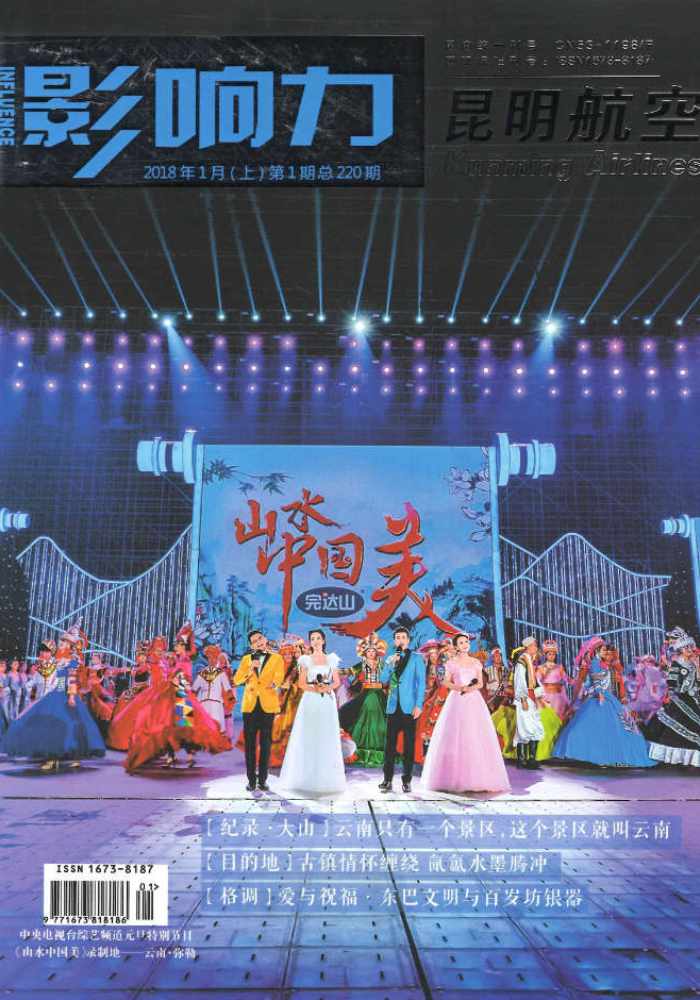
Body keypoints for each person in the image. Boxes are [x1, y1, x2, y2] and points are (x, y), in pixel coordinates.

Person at [421, 633, 510, 793]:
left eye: (466, 642)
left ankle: (479, 777)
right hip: (457, 699)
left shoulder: (476, 662)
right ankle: (454, 777)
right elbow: (445, 681)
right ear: (456, 646)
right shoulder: (451, 663)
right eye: (461, 642)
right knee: (457, 735)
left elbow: (480, 683)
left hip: (474, 700)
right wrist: (459, 688)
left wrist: (471, 688)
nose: (465, 644)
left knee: (475, 734)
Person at [1, 638, 105, 771]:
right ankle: (52, 758)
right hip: (56, 693)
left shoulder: (72, 661)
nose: (61, 645)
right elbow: (55, 679)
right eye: (61, 643)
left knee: (71, 726)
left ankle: (74, 757)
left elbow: (72, 679)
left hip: (67, 695)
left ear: (69, 646)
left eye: (63, 643)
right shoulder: (57, 662)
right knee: (52, 726)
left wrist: (71, 695)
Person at [552, 636, 657, 768]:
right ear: (596, 651)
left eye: (606, 650)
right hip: (599, 697)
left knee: (618, 727)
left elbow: (614, 680)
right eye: (603, 650)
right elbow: (595, 680)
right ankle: (596, 755)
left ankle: (611, 756)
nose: (605, 652)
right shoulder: (594, 663)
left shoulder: (606, 665)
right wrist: (599, 693)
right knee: (593, 727)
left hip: (608, 697)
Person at [125, 664, 230, 772]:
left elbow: (188, 695)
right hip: (173, 716)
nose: (179, 679)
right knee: (171, 735)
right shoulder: (168, 688)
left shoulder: (181, 689)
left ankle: (188, 757)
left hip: (182, 710)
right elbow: (162, 702)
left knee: (187, 733)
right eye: (177, 677)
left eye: (181, 677)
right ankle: (172, 758)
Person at [278, 628, 346, 795]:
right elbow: (302, 683)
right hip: (310, 700)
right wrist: (315, 688)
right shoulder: (305, 660)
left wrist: (326, 688)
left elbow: (336, 682)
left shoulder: (331, 659)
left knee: (326, 736)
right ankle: (305, 778)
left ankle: (327, 778)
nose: (315, 641)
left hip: (326, 702)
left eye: (318, 638)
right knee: (308, 735)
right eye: (313, 638)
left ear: (323, 640)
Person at [233, 629, 285, 791]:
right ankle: (251, 780)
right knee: (249, 745)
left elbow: (279, 677)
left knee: (265, 744)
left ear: (265, 639)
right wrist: (250, 669)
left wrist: (274, 684)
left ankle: (262, 780)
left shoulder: (277, 658)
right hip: (250, 706)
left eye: (260, 638)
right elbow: (237, 680)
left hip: (267, 705)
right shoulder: (246, 659)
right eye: (255, 641)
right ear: (251, 646)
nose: (259, 642)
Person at [378, 627, 426, 794]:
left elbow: (421, 683)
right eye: (397, 637)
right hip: (393, 706)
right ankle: (387, 780)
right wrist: (390, 664)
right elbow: (383, 679)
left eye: (403, 637)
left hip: (409, 707)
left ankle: (407, 780)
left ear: (408, 640)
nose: (400, 640)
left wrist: (418, 705)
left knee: (408, 746)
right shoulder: (390, 658)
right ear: (394, 641)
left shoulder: (417, 658)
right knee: (389, 746)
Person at [644, 627, 700, 766]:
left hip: (693, 698)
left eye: (690, 647)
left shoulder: (693, 664)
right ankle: (676, 757)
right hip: (680, 700)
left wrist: (697, 667)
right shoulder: (677, 664)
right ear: (680, 650)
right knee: (679, 728)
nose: (689, 650)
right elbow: (672, 684)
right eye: (686, 647)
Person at [338, 633, 388, 767]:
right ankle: (359, 751)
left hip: (378, 694)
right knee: (354, 712)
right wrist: (333, 670)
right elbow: (348, 671)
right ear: (365, 653)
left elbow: (390, 677)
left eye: (373, 651)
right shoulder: (362, 664)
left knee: (381, 719)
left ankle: (379, 752)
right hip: (365, 693)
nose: (371, 653)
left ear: (377, 652)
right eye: (368, 651)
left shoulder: (382, 665)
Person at [269, 635, 306, 768]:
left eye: (293, 653)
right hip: (287, 699)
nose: (290, 655)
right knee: (281, 725)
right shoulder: (287, 667)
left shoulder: (301, 666)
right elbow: (281, 682)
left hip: (299, 699)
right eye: (286, 654)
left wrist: (290, 686)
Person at [513, 636, 545, 769]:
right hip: (525, 698)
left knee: (534, 726)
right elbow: (519, 680)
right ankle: (521, 760)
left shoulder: (529, 661)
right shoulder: (522, 661)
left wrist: (538, 695)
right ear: (529, 646)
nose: (536, 648)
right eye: (535, 646)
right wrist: (523, 699)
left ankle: (532, 759)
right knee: (524, 727)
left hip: (532, 697)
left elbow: (533, 681)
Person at [192, 645, 234, 734]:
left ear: (217, 659)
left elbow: (227, 687)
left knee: (217, 726)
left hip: (216, 704)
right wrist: (192, 698)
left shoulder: (220, 673)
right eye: (210, 658)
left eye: (214, 658)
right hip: (204, 703)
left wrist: (230, 700)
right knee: (205, 726)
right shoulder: (203, 672)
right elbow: (195, 687)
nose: (212, 660)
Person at [536, 640, 571, 720]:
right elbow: (537, 681)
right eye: (549, 654)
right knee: (548, 718)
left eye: (553, 654)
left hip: (558, 696)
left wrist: (577, 680)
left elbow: (566, 679)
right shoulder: (540, 668)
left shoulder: (559, 667)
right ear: (545, 655)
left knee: (558, 717)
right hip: (546, 696)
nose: (552, 656)